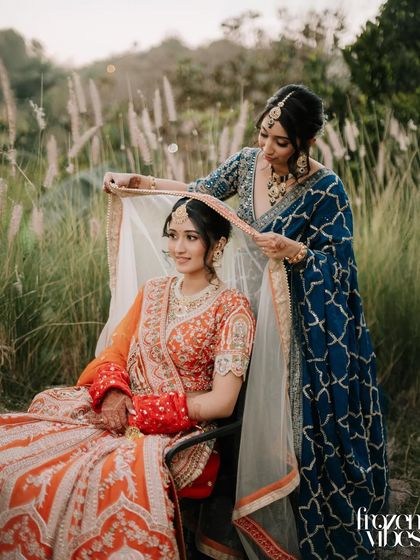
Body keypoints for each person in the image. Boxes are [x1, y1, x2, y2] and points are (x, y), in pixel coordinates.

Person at [103, 84, 388, 560]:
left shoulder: (326, 190)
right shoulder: (246, 163)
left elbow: (340, 268)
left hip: (299, 322)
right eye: (264, 136)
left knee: (289, 426)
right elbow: (199, 197)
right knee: (232, 411)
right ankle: (220, 527)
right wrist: (138, 182)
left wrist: (295, 251)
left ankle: (285, 526)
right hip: (241, 308)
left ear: (306, 141)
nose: (270, 149)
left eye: (281, 141)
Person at [0, 198, 256, 559]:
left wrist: (139, 413)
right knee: (22, 451)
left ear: (217, 245)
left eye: (191, 238)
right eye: (172, 236)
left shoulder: (233, 310)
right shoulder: (153, 292)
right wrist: (114, 395)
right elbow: (114, 353)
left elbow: (222, 402)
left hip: (180, 430)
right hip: (119, 410)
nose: (177, 248)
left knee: (83, 477)